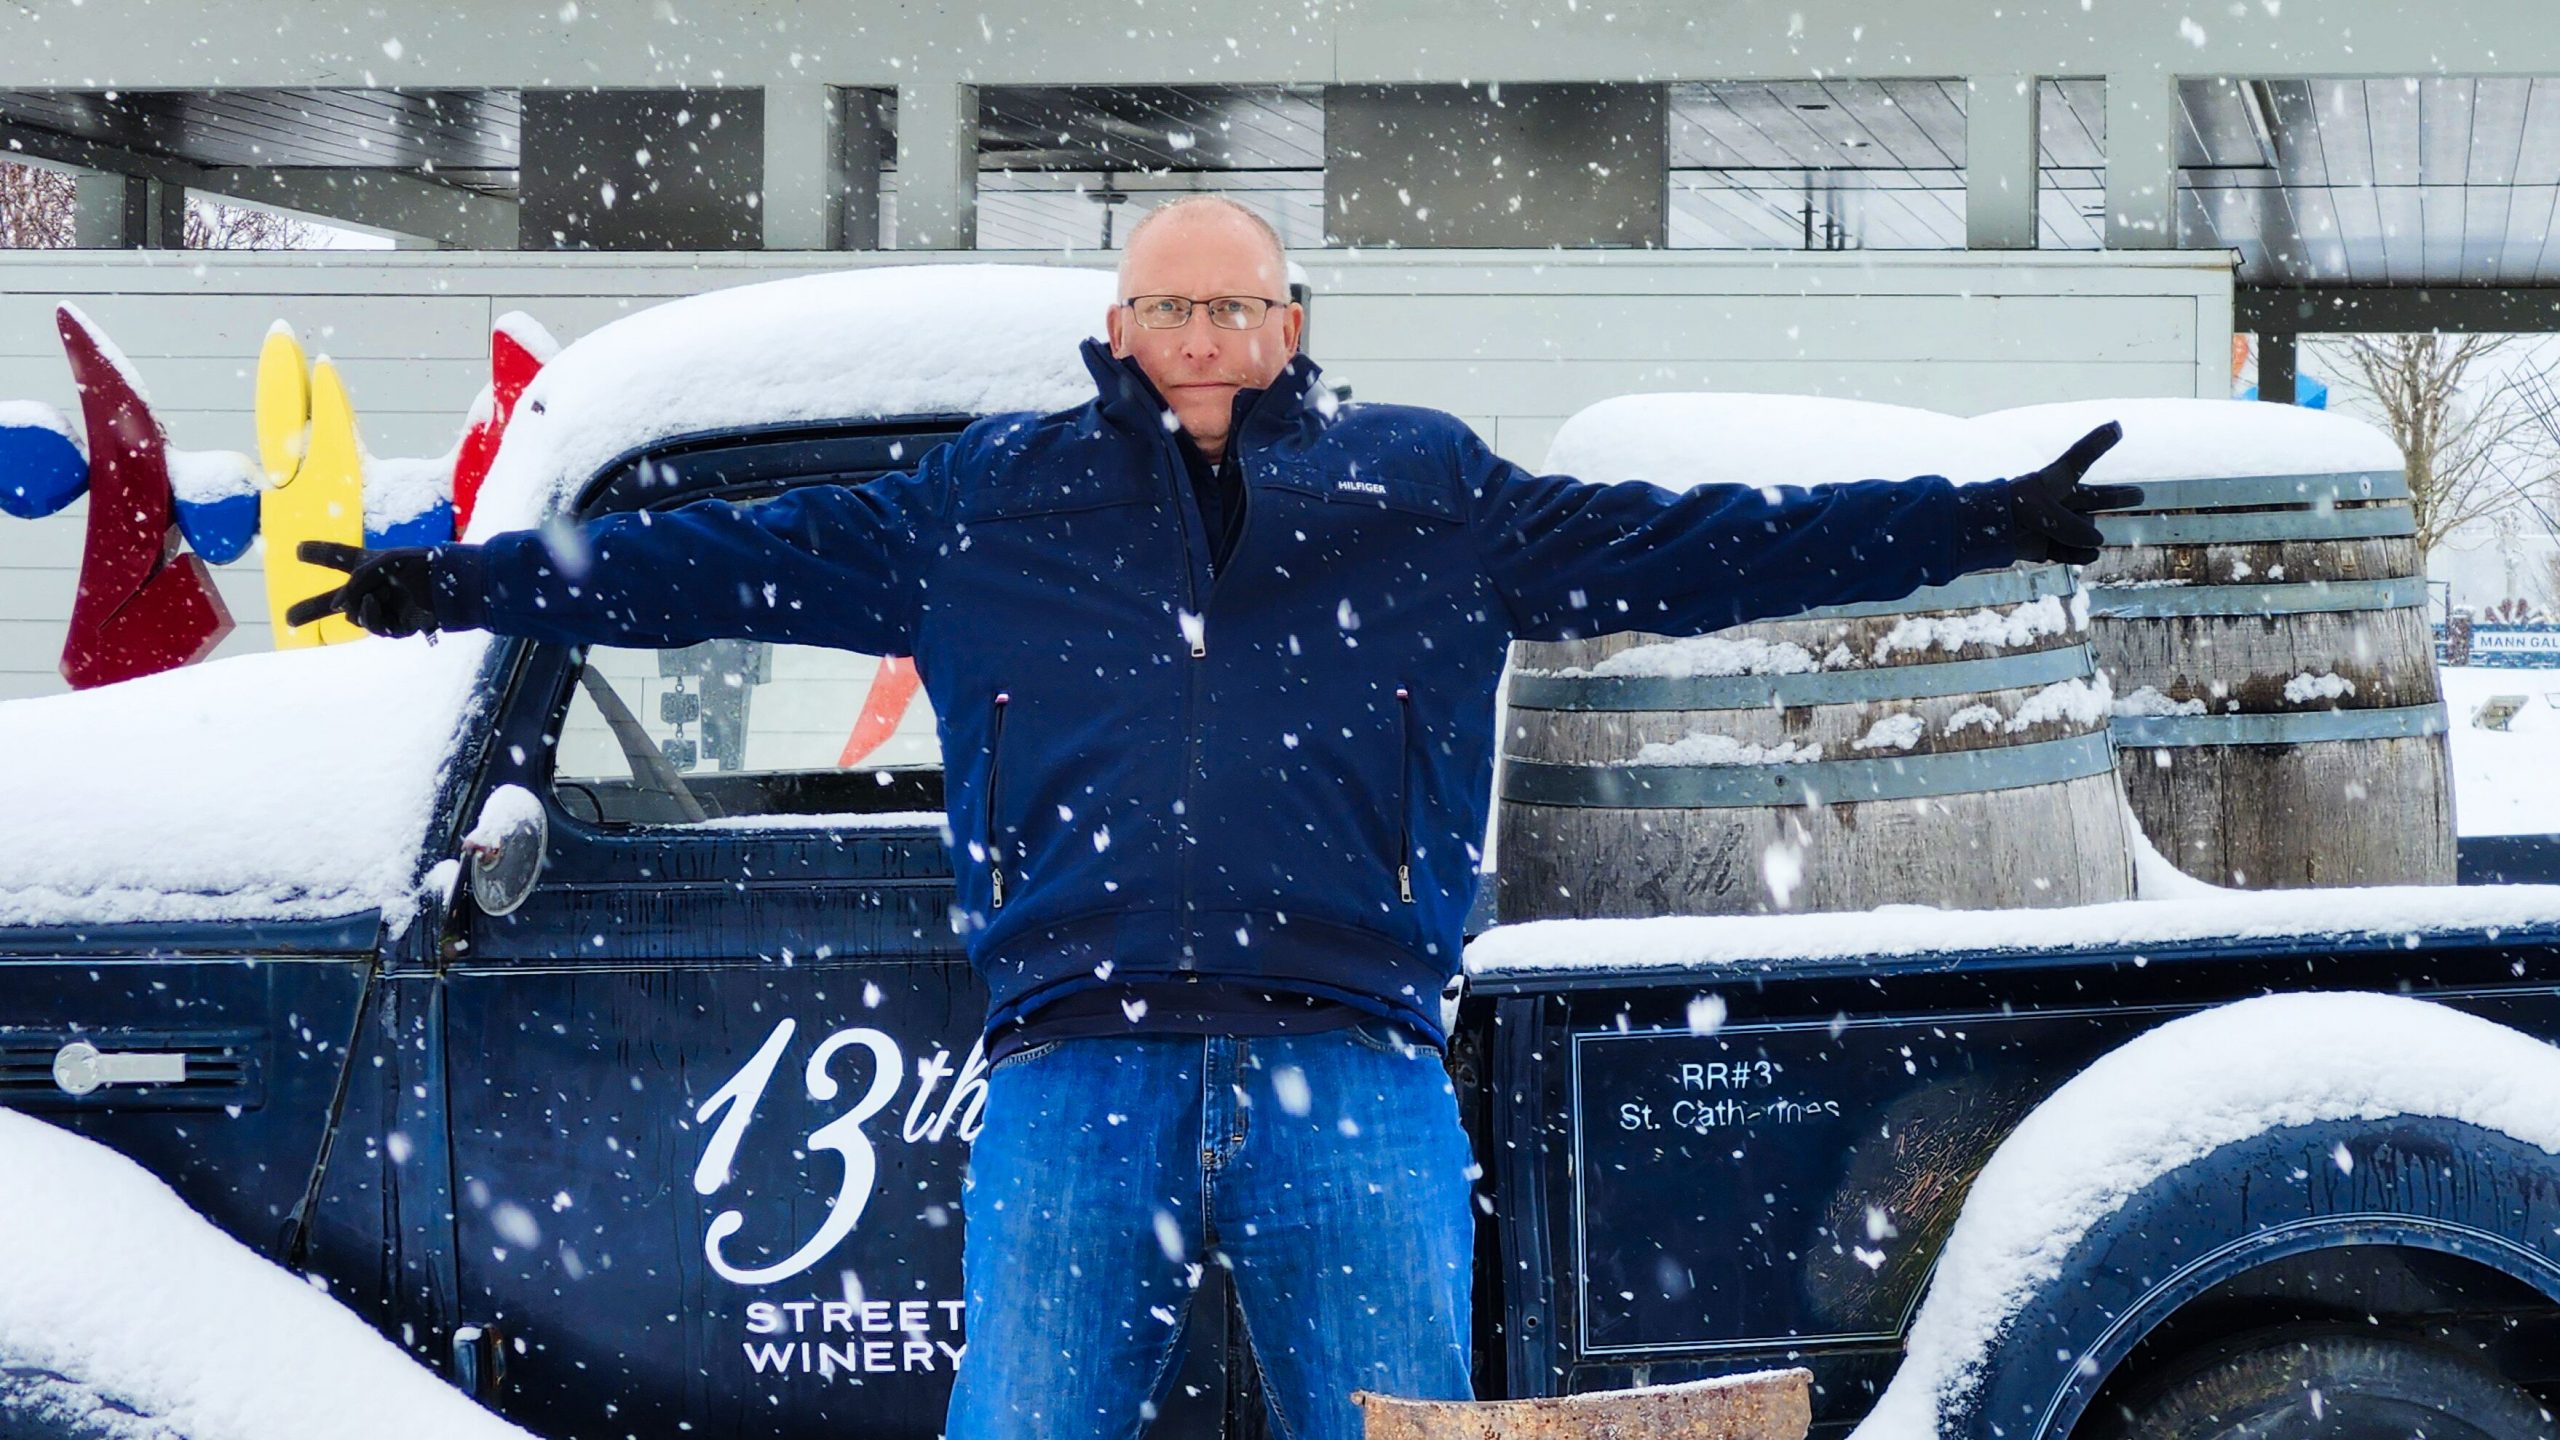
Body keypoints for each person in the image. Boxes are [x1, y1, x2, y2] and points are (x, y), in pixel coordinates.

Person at [293, 195, 2139, 1440]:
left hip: (1353, 1069)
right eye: (1171, 306)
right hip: (1077, 1078)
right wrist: (447, 584)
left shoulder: (1422, 494)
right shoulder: (985, 504)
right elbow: (706, 564)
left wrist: (1975, 518)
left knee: (1397, 1436)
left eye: (1235, 304)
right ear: (1119, 325)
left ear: (1291, 321)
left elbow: (1698, 544)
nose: (1203, 334)